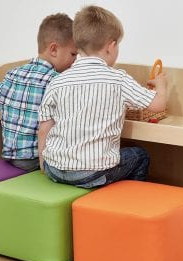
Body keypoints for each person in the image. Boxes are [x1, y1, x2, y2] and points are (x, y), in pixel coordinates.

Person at [38, 5, 167, 188]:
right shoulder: (118, 79)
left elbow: (45, 128)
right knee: (140, 155)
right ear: (111, 46)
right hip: (92, 172)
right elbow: (158, 105)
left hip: (56, 169)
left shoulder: (58, 80)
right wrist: (161, 86)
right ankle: (126, 207)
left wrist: (44, 165)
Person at [0, 13, 77, 172]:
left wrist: (16, 104)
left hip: (9, 156)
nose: (75, 60)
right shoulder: (55, 80)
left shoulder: (14, 73)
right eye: (73, 54)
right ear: (54, 49)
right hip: (35, 158)